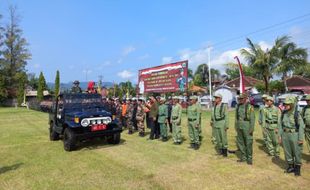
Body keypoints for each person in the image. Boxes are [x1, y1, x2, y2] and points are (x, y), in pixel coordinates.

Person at [279, 96, 305, 176]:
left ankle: (297, 168)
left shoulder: (297, 114)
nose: (286, 105)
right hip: (285, 135)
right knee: (287, 151)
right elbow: (280, 125)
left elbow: (301, 126)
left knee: (297, 151)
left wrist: (300, 138)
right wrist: (280, 136)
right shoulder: (283, 113)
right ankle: (290, 166)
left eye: (288, 104)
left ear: (292, 104)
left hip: (295, 135)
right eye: (285, 104)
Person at [235, 93, 255, 165]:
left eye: (241, 99)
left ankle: (249, 158)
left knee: (248, 142)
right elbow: (236, 117)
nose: (240, 100)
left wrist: (251, 128)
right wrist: (236, 126)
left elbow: (252, 119)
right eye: (239, 99)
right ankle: (243, 157)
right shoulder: (237, 106)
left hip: (247, 125)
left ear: (245, 99)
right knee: (241, 142)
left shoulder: (250, 107)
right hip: (239, 125)